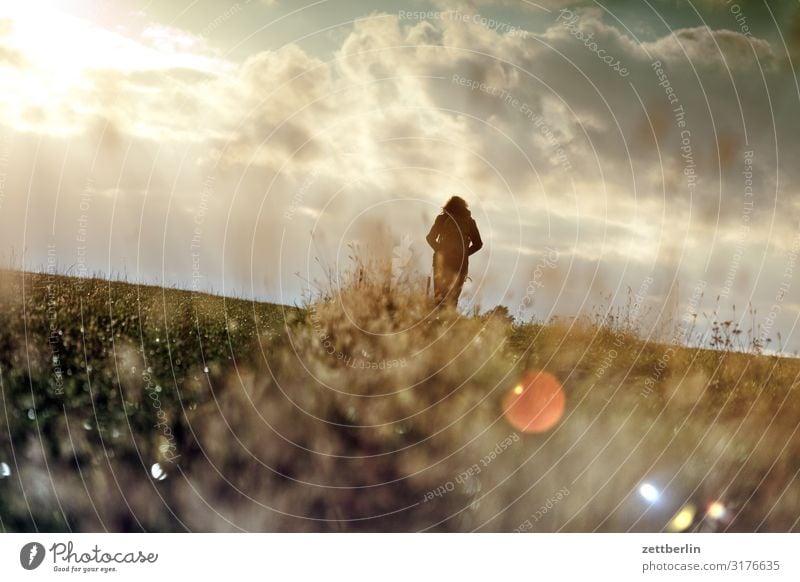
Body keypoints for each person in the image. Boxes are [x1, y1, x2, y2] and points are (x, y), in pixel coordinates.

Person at [426, 196, 483, 306]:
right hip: (460, 265)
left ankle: (436, 321)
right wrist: (464, 254)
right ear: (464, 208)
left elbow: (430, 238)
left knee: (439, 296)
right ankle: (449, 320)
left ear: (448, 206)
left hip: (441, 264)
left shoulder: (442, 219)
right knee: (453, 299)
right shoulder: (469, 222)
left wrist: (440, 251)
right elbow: (478, 244)